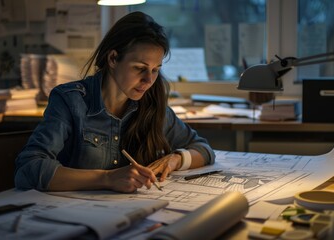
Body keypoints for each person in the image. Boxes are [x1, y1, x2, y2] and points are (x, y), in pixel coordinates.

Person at [14, 11, 215, 193]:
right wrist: (107, 178)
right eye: (140, 68)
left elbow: (203, 149)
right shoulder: (70, 101)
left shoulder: (151, 105)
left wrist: (175, 160)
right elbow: (28, 168)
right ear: (112, 59)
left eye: (155, 70)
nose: (149, 80)